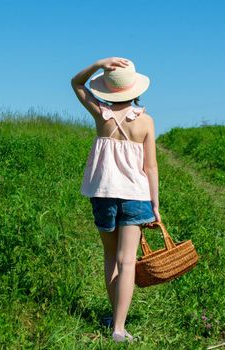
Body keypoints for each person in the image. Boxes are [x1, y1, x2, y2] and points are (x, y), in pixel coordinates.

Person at [71, 57, 161, 343]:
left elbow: (75, 82)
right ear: (135, 89)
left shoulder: (101, 114)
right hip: (136, 195)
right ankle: (119, 328)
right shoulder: (145, 121)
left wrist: (99, 64)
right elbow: (151, 167)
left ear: (108, 90)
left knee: (111, 257)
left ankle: (115, 318)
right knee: (127, 262)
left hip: (104, 194)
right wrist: (155, 204)